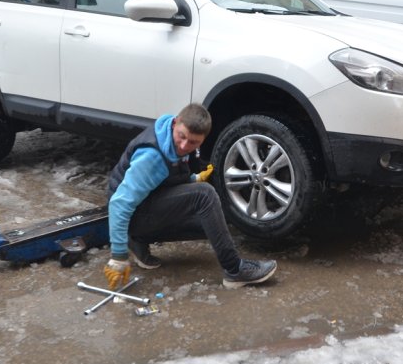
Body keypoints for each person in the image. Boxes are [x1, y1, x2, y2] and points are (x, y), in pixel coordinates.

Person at [103, 103, 277, 290]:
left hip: (144, 205)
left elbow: (163, 178)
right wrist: (118, 256)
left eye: (193, 142)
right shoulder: (152, 157)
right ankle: (234, 270)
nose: (185, 145)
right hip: (132, 215)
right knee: (205, 195)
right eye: (182, 137)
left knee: (214, 221)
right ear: (175, 123)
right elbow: (119, 205)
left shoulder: (171, 137)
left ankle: (138, 241)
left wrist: (193, 178)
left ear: (202, 140)